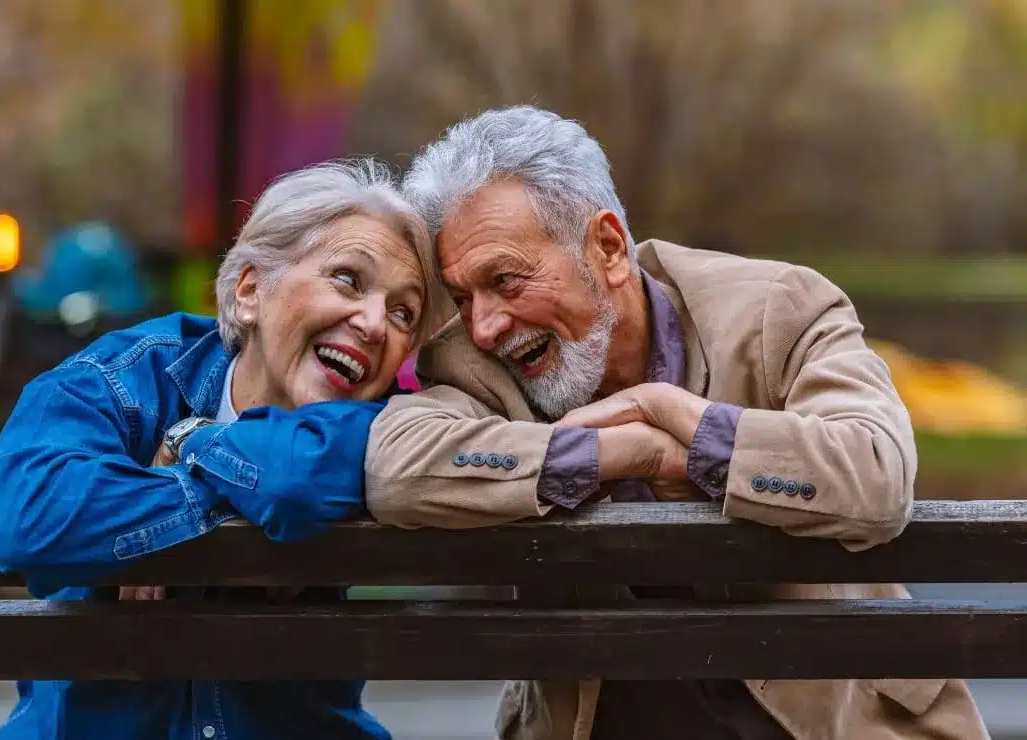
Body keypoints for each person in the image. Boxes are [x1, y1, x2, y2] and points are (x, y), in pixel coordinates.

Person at [363, 106, 989, 739]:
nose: (485, 325)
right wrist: (615, 454)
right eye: (465, 297)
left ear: (607, 249)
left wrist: (688, 431)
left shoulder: (782, 309)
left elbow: (876, 474)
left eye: (506, 280)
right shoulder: (471, 362)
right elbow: (397, 470)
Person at [0, 158, 444, 740]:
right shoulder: (126, 377)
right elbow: (30, 516)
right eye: (348, 280)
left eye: (404, 311)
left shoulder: (388, 424)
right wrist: (224, 488)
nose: (377, 324)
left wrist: (194, 442)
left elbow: (294, 484)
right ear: (251, 290)